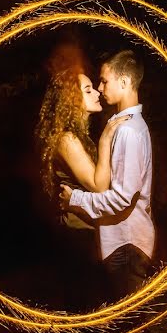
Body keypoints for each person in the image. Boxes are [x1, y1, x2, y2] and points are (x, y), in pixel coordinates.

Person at [58, 48, 156, 333]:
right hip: (121, 243)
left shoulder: (127, 130)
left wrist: (76, 201)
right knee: (123, 332)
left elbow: (120, 199)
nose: (101, 88)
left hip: (126, 244)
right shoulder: (122, 126)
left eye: (104, 80)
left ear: (125, 81)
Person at [34, 37, 129, 314]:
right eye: (88, 90)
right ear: (72, 99)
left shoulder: (78, 136)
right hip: (79, 237)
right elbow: (100, 186)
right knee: (88, 307)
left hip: (89, 231)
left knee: (98, 306)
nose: (97, 92)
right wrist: (107, 138)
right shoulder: (66, 140)